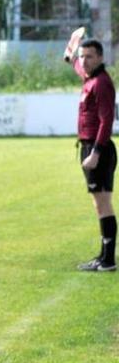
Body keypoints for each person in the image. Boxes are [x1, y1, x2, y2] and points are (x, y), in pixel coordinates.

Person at [64, 32, 117, 272]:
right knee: (100, 204)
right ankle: (104, 256)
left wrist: (95, 153)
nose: (84, 61)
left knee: (103, 203)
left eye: (89, 57)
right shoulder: (89, 77)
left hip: (99, 148)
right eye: (83, 56)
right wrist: (71, 51)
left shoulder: (102, 82)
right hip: (90, 146)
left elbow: (107, 121)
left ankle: (107, 259)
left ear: (100, 57)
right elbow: (75, 65)